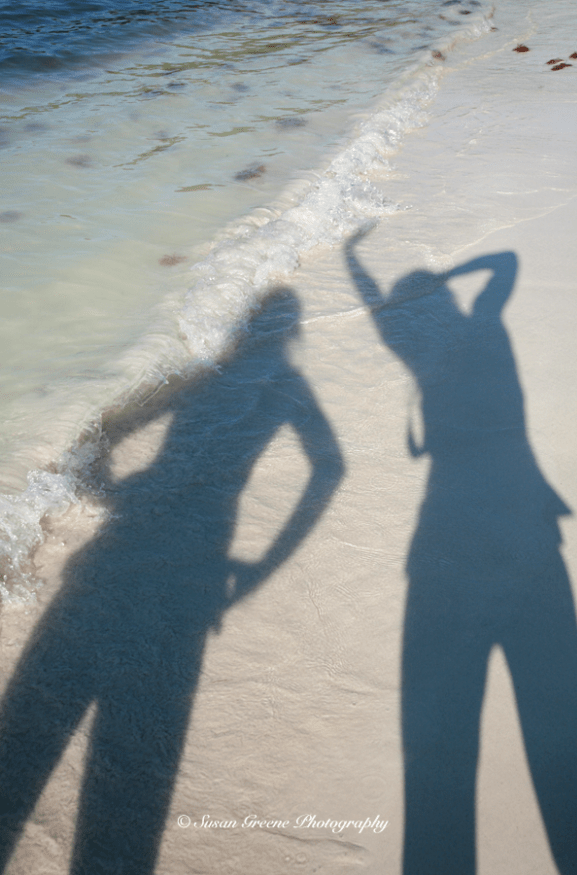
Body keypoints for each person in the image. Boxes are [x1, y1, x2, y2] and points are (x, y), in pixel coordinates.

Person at [0, 288, 344, 875]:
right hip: (201, 564)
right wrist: (261, 568)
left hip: (115, 554)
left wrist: (97, 484)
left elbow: (111, 423)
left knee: (24, 739)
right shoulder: (289, 387)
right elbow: (329, 468)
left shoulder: (200, 375)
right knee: (129, 775)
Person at [346, 236, 577, 874]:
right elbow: (507, 263)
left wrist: (353, 256)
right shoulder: (486, 327)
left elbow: (375, 308)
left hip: (449, 532)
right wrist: (446, 273)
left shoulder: (419, 354)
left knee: (439, 753)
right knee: (562, 729)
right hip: (530, 527)